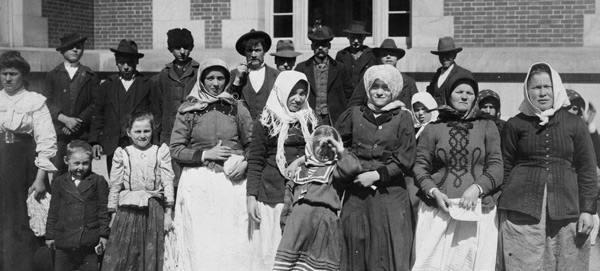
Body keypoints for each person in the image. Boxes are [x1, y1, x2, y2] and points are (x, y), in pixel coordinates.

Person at [499, 63, 598, 271]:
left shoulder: (575, 124)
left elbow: (587, 168)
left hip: (567, 208)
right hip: (522, 209)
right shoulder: (515, 125)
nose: (542, 93)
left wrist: (588, 209)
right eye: (536, 88)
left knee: (567, 261)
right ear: (527, 91)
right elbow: (506, 166)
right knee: (524, 262)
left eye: (547, 87)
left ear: (557, 88)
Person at [412, 71, 503, 271]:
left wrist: (476, 189)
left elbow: (496, 166)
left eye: (469, 93)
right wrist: (434, 192)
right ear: (448, 94)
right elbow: (420, 166)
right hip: (437, 210)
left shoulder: (487, 126)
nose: (464, 96)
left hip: (478, 209)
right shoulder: (433, 128)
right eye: (459, 91)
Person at [169, 58, 253, 270]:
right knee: (201, 240)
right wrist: (206, 154)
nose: (215, 83)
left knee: (230, 238)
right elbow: (176, 149)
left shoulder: (237, 108)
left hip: (231, 184)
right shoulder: (188, 109)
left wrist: (245, 163)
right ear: (202, 80)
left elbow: (253, 144)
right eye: (210, 78)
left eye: (221, 78)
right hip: (199, 183)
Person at [335, 65, 416, 271]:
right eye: (375, 87)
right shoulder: (354, 115)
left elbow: (405, 159)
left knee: (385, 248)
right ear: (367, 89)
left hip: (389, 194)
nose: (379, 92)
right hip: (356, 193)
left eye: (386, 88)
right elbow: (338, 145)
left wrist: (376, 175)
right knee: (355, 243)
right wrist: (350, 166)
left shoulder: (402, 117)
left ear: (394, 90)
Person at [246, 71, 318, 270]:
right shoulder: (266, 121)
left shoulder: (310, 120)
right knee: (274, 252)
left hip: (303, 194)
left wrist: (303, 159)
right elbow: (255, 161)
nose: (298, 98)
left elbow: (324, 150)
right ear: (281, 91)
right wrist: (251, 197)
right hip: (273, 196)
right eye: (293, 93)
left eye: (302, 93)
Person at [273, 126, 361, 271]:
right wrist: (286, 226)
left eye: (330, 148)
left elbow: (352, 168)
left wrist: (339, 147)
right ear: (311, 147)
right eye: (320, 147)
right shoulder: (299, 170)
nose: (325, 152)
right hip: (295, 229)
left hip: (323, 228)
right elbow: (288, 202)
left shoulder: (336, 171)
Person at [0, 51, 57, 270]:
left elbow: (46, 142)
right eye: (4, 73)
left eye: (13, 74)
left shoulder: (35, 102)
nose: (7, 78)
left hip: (24, 166)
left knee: (24, 219)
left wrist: (41, 178)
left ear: (22, 76)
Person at [101, 111, 174, 271]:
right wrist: (113, 213)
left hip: (153, 210)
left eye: (146, 131)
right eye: (138, 131)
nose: (142, 135)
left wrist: (168, 214)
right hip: (129, 210)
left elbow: (167, 182)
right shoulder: (123, 153)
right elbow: (115, 185)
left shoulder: (160, 151)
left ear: (152, 130)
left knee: (150, 253)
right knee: (126, 255)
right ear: (129, 132)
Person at [89, 39, 161, 172]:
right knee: (115, 181)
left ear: (136, 62)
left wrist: (154, 142)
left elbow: (155, 114)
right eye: (122, 62)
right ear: (116, 62)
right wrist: (95, 141)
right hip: (113, 144)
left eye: (130, 62)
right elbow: (98, 114)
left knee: (139, 179)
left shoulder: (148, 85)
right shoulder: (107, 86)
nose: (126, 67)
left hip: (140, 144)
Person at [45, 140, 110, 271]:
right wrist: (50, 235)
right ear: (66, 160)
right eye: (76, 163)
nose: (81, 167)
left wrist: (103, 235)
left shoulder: (98, 181)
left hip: (89, 240)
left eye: (85, 163)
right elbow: (53, 211)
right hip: (64, 240)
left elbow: (103, 210)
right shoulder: (59, 182)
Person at [42, 32, 100, 175]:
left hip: (82, 134)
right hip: (60, 133)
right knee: (59, 173)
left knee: (83, 172)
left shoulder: (90, 75)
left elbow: (95, 103)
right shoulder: (53, 75)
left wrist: (78, 121)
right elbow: (46, 102)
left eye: (79, 47)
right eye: (70, 47)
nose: (75, 50)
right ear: (62, 51)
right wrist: (64, 119)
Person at [156, 28, 199, 191]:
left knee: (192, 174)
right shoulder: (164, 74)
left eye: (186, 47)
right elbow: (157, 106)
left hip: (193, 131)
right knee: (170, 176)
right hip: (169, 134)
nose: (182, 52)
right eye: (177, 48)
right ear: (170, 49)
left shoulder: (199, 72)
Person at [295, 25, 353, 126]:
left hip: (333, 118)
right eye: (317, 45)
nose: (320, 48)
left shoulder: (340, 68)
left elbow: (349, 94)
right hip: (309, 117)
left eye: (324, 44)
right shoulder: (302, 68)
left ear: (329, 46)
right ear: (312, 47)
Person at [564, 89, 600, 247]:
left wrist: (590, 125)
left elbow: (594, 157)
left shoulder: (584, 131)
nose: (573, 112)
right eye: (570, 107)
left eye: (577, 109)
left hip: (582, 199)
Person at [348, 38, 419, 108]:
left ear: (397, 58)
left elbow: (417, 106)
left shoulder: (408, 81)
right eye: (384, 54)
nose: (388, 57)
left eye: (392, 54)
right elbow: (354, 104)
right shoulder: (368, 78)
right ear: (379, 57)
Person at [230, 29, 280, 120]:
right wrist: (237, 80)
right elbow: (228, 103)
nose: (253, 55)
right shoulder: (234, 74)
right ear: (244, 53)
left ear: (264, 51)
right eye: (249, 50)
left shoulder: (276, 75)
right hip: (244, 128)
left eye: (257, 50)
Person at [426, 36, 474, 105]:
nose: (444, 58)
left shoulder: (463, 74)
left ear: (454, 55)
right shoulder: (437, 75)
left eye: (448, 54)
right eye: (441, 54)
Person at [335, 21, 377, 90]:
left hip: (365, 94)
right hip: (347, 95)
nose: (356, 41)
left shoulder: (371, 54)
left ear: (364, 38)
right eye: (353, 37)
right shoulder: (342, 55)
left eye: (359, 37)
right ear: (348, 37)